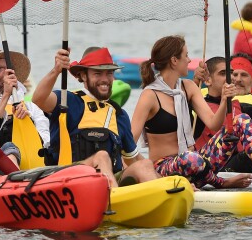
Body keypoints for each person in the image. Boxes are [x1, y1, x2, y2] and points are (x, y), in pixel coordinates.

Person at [129, 36, 252, 189]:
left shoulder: (188, 87)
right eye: (186, 56)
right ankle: (221, 183)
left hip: (197, 164)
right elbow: (128, 143)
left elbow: (213, 123)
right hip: (165, 168)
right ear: (174, 60)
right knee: (191, 159)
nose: (189, 60)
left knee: (242, 120)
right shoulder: (149, 96)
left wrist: (225, 100)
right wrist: (141, 174)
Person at [31, 47, 160, 188]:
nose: (105, 80)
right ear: (84, 75)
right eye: (98, 73)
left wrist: (171, 183)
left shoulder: (119, 115)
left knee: (145, 164)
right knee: (102, 156)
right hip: (69, 180)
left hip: (110, 181)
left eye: (109, 73)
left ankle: (163, 197)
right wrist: (56, 70)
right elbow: (38, 99)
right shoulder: (69, 101)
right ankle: (114, 201)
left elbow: (133, 159)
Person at [0, 49, 49, 169]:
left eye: (8, 68)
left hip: (33, 163)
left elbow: (46, 142)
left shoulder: (31, 107)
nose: (6, 73)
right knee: (10, 149)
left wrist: (28, 120)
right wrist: (6, 95)